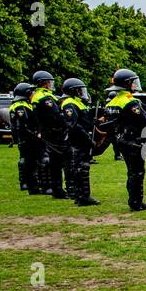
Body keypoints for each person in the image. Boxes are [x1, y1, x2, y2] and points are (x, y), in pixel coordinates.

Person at [99, 68, 146, 211]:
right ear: (127, 83)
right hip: (133, 141)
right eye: (132, 82)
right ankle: (136, 202)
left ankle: (135, 200)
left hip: (120, 140)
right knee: (137, 172)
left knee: (132, 171)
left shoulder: (112, 102)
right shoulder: (130, 102)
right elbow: (143, 121)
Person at [58, 77, 99, 206]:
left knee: (83, 168)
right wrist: (87, 138)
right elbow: (73, 125)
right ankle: (82, 197)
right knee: (80, 168)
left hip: (82, 139)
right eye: (80, 90)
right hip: (77, 141)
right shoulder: (69, 104)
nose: (82, 92)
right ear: (74, 91)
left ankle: (83, 195)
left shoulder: (77, 103)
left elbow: (84, 120)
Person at [29, 70, 70, 199]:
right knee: (59, 162)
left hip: (47, 132)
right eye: (49, 82)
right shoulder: (45, 98)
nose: (51, 84)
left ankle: (55, 188)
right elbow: (56, 116)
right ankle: (59, 189)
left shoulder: (36, 96)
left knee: (54, 162)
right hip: (54, 133)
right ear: (43, 83)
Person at [9, 81, 36, 192]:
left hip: (22, 136)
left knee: (25, 159)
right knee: (27, 160)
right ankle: (26, 182)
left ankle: (26, 182)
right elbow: (23, 124)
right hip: (26, 137)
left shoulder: (17, 105)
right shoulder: (21, 106)